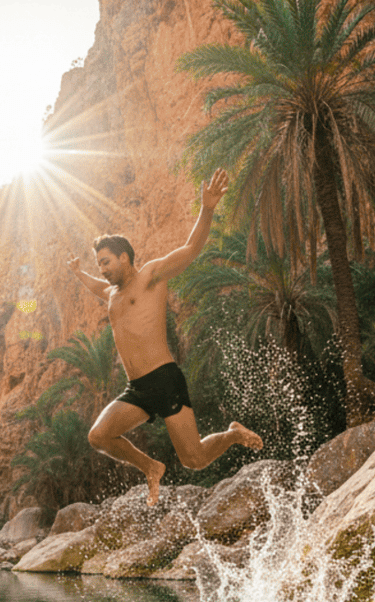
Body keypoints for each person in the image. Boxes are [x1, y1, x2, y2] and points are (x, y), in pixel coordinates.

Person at [66, 168, 263, 505]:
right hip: (137, 389)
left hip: (164, 379)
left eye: (106, 262)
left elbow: (190, 249)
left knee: (195, 459)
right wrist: (79, 272)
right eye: (99, 264)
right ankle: (151, 467)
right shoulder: (111, 293)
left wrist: (208, 208)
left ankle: (232, 435)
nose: (103, 269)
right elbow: (96, 285)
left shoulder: (151, 277)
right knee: (99, 435)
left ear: (124, 257)